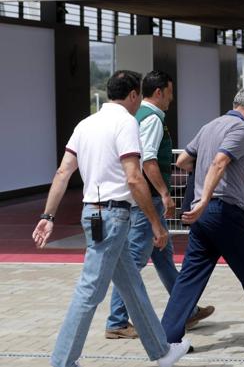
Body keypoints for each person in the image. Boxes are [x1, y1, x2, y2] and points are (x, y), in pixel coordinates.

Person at [32, 70, 190, 367]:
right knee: (90, 290)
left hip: (93, 212)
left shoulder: (85, 124)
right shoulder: (126, 123)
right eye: (137, 97)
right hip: (114, 215)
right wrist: (156, 222)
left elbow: (63, 172)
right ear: (132, 95)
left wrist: (47, 215)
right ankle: (62, 362)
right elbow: (133, 177)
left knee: (132, 287)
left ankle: (162, 352)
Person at [160, 87, 244, 347]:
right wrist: (205, 197)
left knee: (189, 278)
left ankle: (166, 338)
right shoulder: (239, 129)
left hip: (204, 219)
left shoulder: (210, 126)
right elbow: (220, 162)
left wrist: (202, 185)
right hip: (224, 212)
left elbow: (182, 160)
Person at [105, 70, 214, 340]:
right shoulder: (152, 119)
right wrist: (165, 193)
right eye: (170, 92)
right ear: (159, 93)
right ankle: (117, 321)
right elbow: (148, 160)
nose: (171, 98)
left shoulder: (138, 116)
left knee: (163, 258)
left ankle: (186, 310)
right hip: (149, 200)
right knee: (133, 261)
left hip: (143, 198)